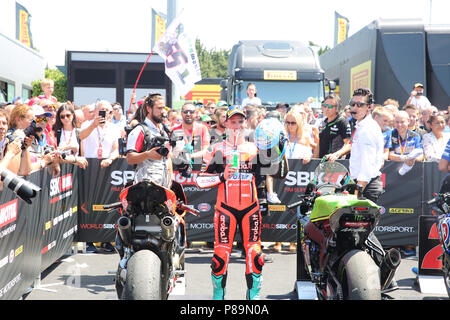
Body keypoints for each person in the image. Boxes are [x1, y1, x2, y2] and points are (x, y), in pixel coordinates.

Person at [196, 105, 286, 300]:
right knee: (220, 257)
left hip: (250, 209)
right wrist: (222, 176)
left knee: (255, 255)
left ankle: (252, 299)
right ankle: (218, 297)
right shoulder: (215, 149)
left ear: (245, 123)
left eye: (240, 121)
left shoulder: (256, 148)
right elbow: (200, 180)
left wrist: (280, 149)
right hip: (225, 210)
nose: (237, 125)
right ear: (225, 123)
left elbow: (280, 173)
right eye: (233, 121)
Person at [348, 87, 399, 293]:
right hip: (363, 182)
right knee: (361, 233)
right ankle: (380, 277)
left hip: (366, 184)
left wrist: (358, 188)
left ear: (369, 107)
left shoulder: (368, 128)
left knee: (363, 232)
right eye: (352, 104)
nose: (354, 108)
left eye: (359, 104)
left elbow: (369, 164)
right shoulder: (362, 125)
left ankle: (389, 274)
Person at [126, 93, 172, 187]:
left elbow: (168, 158)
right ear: (148, 109)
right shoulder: (139, 130)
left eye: (164, 108)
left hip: (164, 186)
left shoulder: (165, 130)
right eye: (159, 108)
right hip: (145, 188)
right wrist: (147, 154)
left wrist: (170, 179)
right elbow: (129, 158)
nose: (163, 111)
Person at [171, 102, 210, 172]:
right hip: (178, 169)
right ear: (181, 113)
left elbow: (206, 151)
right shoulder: (173, 130)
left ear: (195, 113)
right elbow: (169, 152)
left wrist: (190, 156)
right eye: (185, 112)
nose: (188, 114)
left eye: (191, 112)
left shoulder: (203, 128)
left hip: (197, 169)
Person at [52, 103, 88, 168]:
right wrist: (69, 147)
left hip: (75, 169)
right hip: (61, 168)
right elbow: (54, 151)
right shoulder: (56, 132)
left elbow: (82, 155)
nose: (65, 118)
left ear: (73, 115)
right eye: (62, 116)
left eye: (68, 115)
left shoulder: (78, 132)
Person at [318, 95, 352, 161]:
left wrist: (336, 154)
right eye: (325, 105)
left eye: (330, 106)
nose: (326, 108)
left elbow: (348, 145)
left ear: (337, 108)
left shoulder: (342, 122)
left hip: (335, 164)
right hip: (321, 162)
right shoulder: (322, 122)